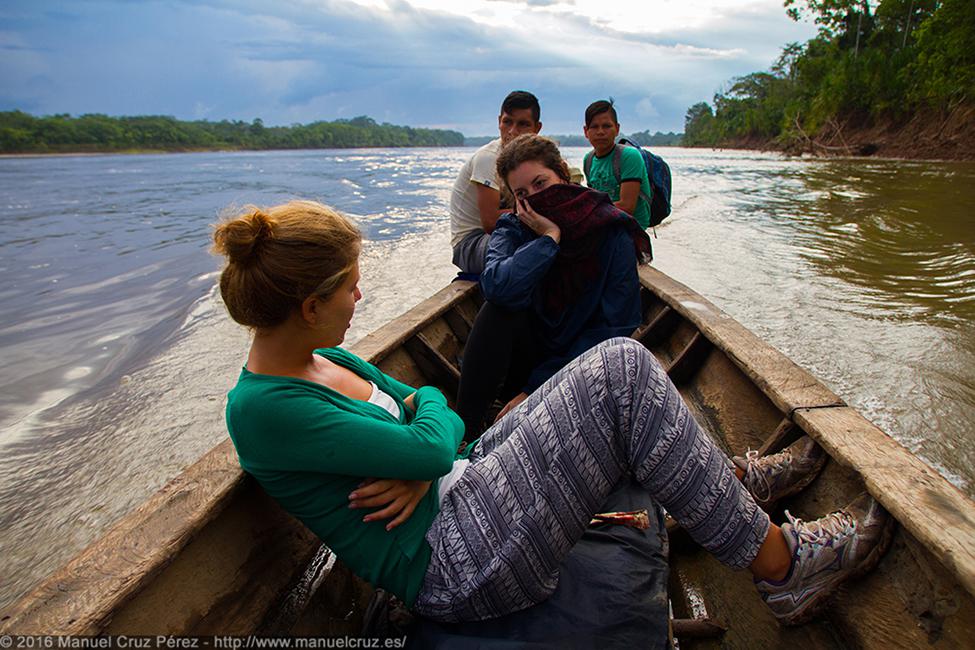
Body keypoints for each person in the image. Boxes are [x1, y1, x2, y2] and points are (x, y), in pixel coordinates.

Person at [213, 199, 892, 628]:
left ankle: (728, 485)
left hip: (464, 486)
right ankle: (780, 569)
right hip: (456, 562)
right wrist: (425, 445)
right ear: (309, 306)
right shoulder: (266, 409)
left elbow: (433, 416)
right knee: (622, 370)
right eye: (350, 284)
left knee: (575, 383)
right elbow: (428, 432)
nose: (360, 294)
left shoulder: (327, 358)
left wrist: (427, 441)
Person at [455, 134, 651, 440]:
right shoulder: (513, 227)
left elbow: (615, 327)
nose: (533, 197)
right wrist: (548, 239)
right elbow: (496, 287)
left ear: (561, 172)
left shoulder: (610, 231)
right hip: (525, 359)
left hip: (581, 366)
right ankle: (464, 435)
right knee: (498, 310)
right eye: (521, 193)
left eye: (541, 184)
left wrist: (535, 388)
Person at [450, 91, 542, 275]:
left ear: (537, 128)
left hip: (503, 234)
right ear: (499, 120)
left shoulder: (531, 159)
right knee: (536, 244)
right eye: (507, 122)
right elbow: (491, 222)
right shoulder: (488, 159)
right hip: (471, 244)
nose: (512, 131)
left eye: (523, 124)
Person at [583, 99, 654, 229]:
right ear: (586, 131)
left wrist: (586, 211)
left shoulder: (629, 157)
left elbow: (627, 207)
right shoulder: (588, 160)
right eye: (594, 127)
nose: (600, 132)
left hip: (632, 229)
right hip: (605, 225)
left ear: (617, 128)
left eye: (606, 126)